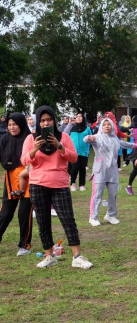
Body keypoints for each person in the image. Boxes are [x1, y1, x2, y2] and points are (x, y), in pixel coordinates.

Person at [21, 106, 93, 269]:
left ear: (54, 120)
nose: (46, 123)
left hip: (59, 183)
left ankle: (77, 256)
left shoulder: (64, 137)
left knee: (68, 219)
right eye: (43, 120)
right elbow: (24, 160)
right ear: (39, 122)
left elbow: (74, 158)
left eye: (49, 120)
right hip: (38, 184)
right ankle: (49, 255)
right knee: (43, 220)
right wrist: (34, 150)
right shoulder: (31, 139)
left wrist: (59, 146)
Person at [85, 118, 136, 226]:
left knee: (113, 194)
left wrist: (135, 145)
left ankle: (111, 215)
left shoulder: (114, 139)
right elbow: (86, 139)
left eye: (109, 124)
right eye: (105, 125)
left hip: (112, 169)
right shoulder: (97, 137)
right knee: (97, 194)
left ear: (112, 126)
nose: (107, 126)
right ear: (101, 127)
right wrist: (90, 137)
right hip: (100, 170)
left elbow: (123, 144)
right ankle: (93, 217)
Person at [0, 113, 33, 256]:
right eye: (9, 124)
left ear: (21, 124)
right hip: (11, 179)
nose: (12, 127)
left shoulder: (30, 138)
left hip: (29, 178)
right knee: (5, 213)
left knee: (23, 214)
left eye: (15, 124)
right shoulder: (4, 139)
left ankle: (25, 245)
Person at [66, 112, 92, 192]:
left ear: (83, 118)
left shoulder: (87, 128)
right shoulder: (72, 128)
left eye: (80, 116)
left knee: (82, 168)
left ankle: (82, 185)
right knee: (75, 167)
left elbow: (91, 138)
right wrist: (70, 124)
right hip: (73, 152)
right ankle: (73, 183)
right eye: (77, 116)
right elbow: (65, 134)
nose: (78, 118)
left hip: (84, 152)